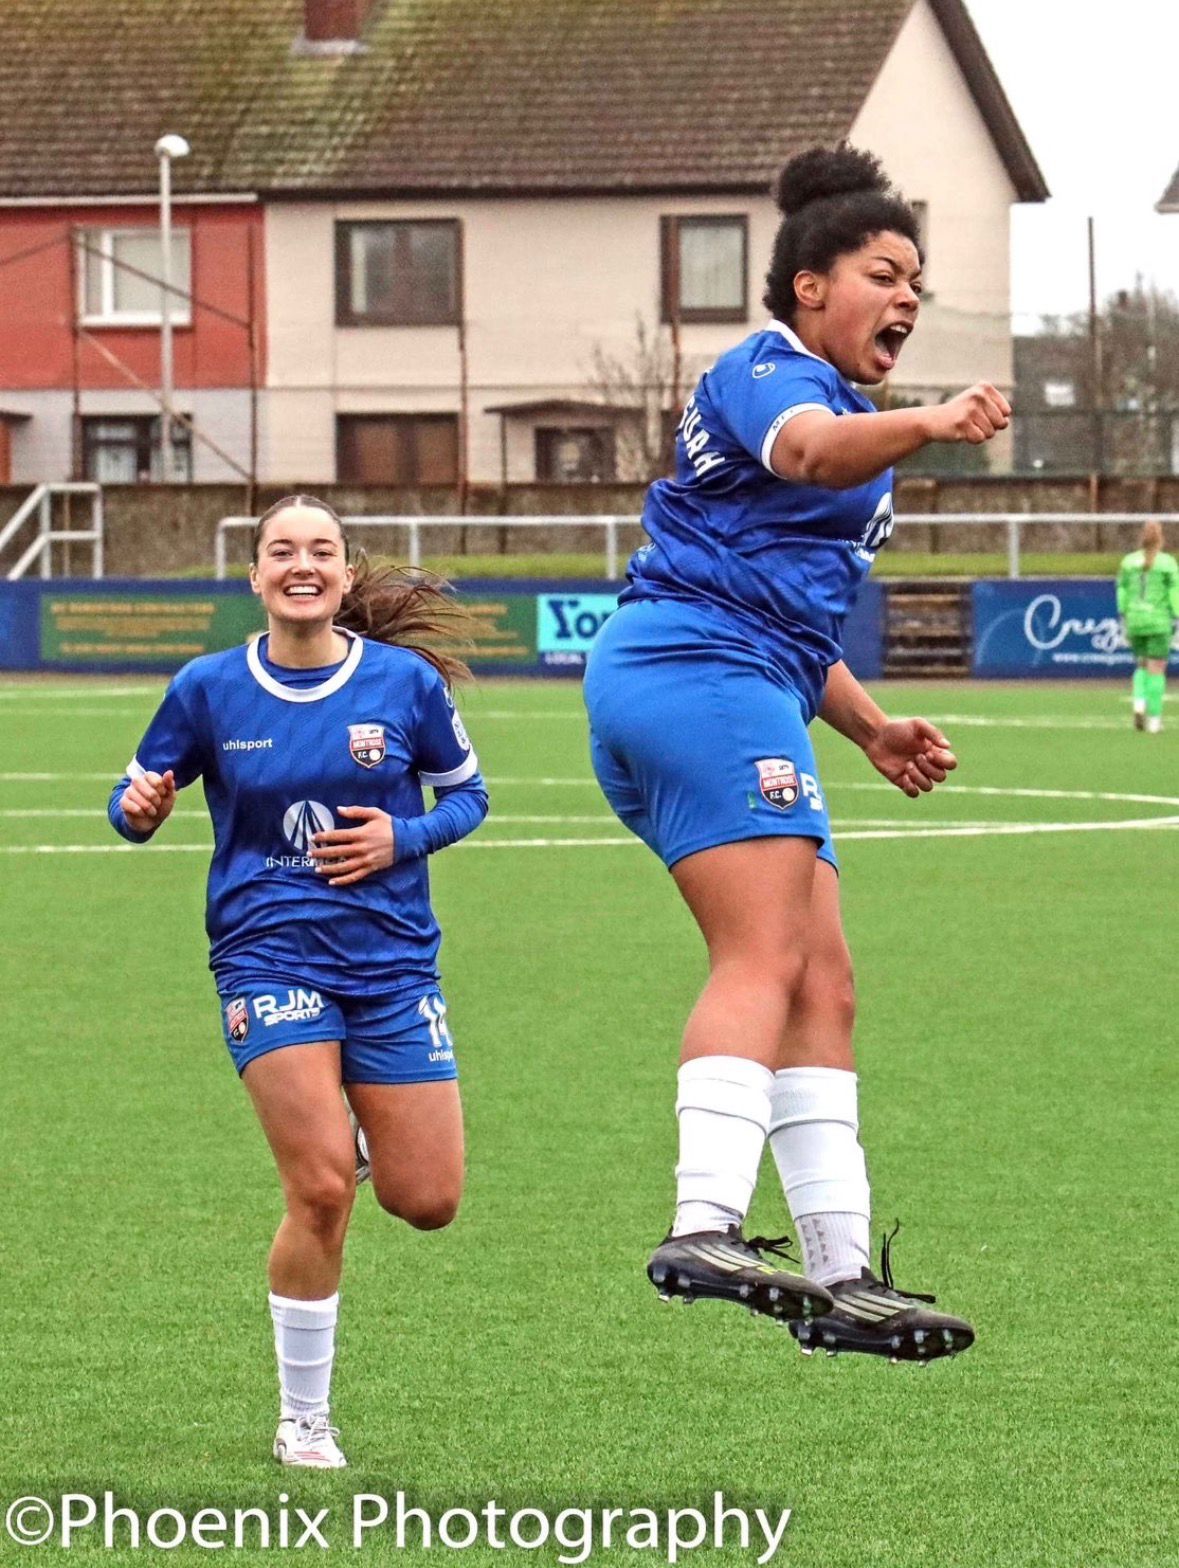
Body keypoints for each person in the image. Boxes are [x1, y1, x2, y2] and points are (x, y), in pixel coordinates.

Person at [584, 145, 1012, 1363]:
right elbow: (809, 453)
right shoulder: (768, 371)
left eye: (918, 279)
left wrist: (871, 725)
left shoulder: (860, 419)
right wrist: (930, 421)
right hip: (692, 674)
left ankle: (840, 1271)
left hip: (747, 680)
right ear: (810, 286)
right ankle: (704, 1220)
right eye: (886, 271)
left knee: (826, 982)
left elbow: (793, 617)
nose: (910, 297)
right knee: (765, 951)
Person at [107, 496, 488, 1464]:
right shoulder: (206, 688)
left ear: (346, 576)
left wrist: (404, 834)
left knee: (429, 1196)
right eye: (283, 550)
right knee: (321, 1186)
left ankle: (349, 1127)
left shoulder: (401, 685)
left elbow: (471, 794)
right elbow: (130, 803)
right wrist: (141, 803)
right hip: (266, 952)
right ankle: (302, 1418)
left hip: (392, 960)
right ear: (257, 576)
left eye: (321, 550)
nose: (302, 564)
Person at [1116, 519, 1179, 733]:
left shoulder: (1128, 562)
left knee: (1141, 666)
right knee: (1157, 670)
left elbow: (1122, 591)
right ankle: (1154, 720)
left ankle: (1138, 704)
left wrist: (1124, 614)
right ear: (1161, 537)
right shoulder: (1167, 563)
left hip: (1135, 621)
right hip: (1158, 621)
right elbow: (1174, 593)